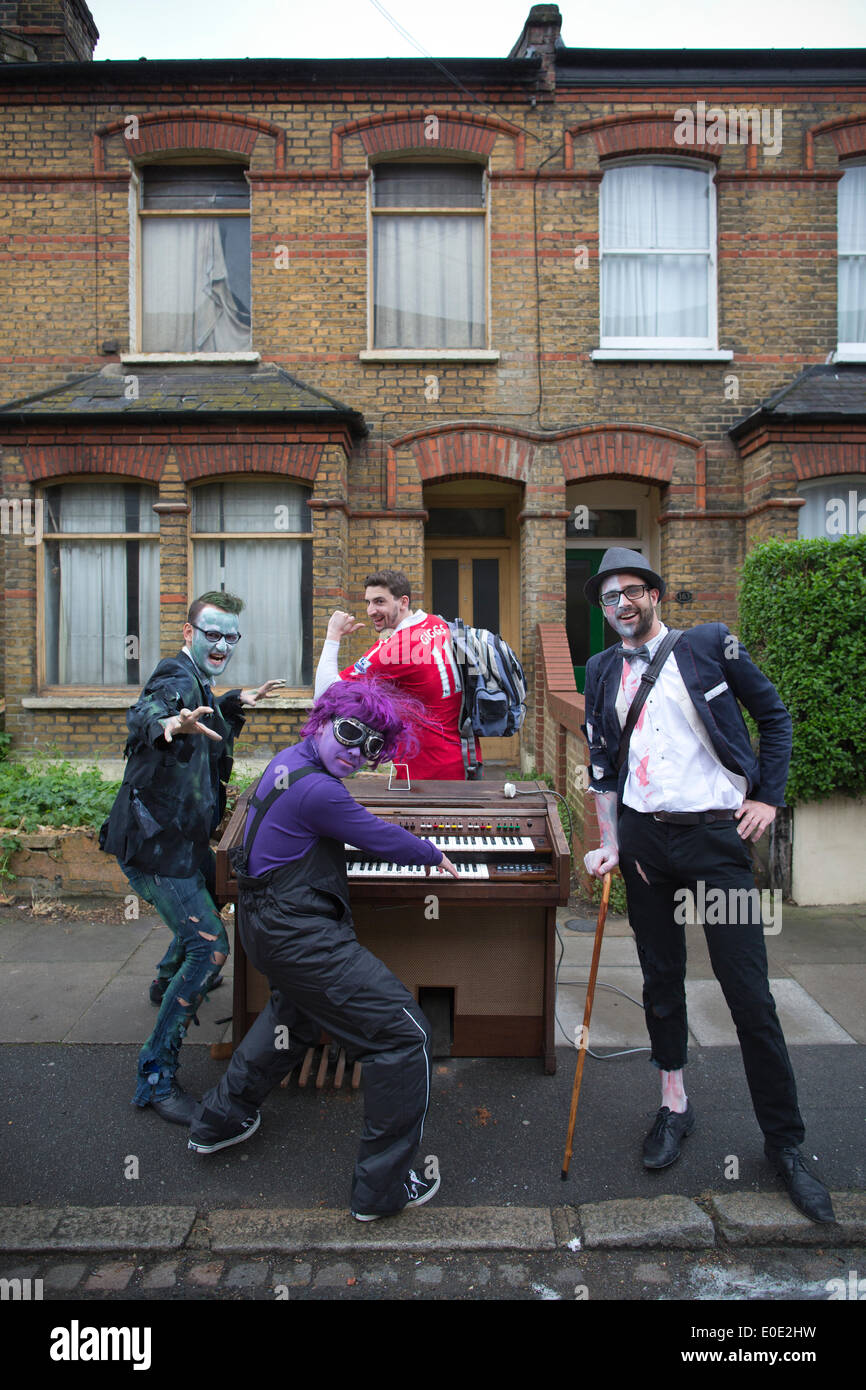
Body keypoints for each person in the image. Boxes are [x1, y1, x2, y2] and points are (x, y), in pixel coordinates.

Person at [581, 547, 835, 1224]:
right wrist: (608, 842)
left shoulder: (709, 645)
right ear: (603, 611)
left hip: (715, 844)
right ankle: (674, 1105)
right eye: (610, 597)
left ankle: (784, 1144)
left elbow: (774, 716)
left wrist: (770, 798)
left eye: (633, 590)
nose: (623, 604)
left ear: (655, 594)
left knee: (748, 992)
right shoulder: (601, 668)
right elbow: (602, 764)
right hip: (644, 847)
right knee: (661, 980)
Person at [187, 678, 459, 1222]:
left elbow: (345, 827)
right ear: (324, 721)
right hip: (297, 936)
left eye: (373, 747)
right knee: (404, 1036)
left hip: (266, 929)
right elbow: (376, 835)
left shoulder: (293, 758)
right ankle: (381, 1192)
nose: (358, 752)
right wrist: (431, 851)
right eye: (351, 734)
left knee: (296, 1016)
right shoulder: (321, 791)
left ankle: (220, 1121)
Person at [100, 591, 285, 1126]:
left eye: (231, 636)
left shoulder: (198, 681)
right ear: (188, 633)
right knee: (209, 949)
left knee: (220, 890)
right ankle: (155, 1076)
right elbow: (147, 713)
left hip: (184, 840)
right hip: (156, 847)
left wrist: (233, 702)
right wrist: (167, 724)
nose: (222, 644)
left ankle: (164, 981)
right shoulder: (174, 678)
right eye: (212, 634)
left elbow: (203, 722)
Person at [314, 568, 479, 780]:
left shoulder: (396, 649)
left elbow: (324, 695)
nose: (371, 610)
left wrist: (333, 634)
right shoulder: (435, 623)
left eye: (380, 602)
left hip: (428, 771)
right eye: (368, 602)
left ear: (403, 602)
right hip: (464, 756)